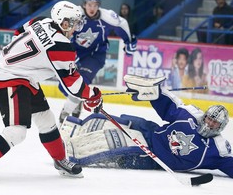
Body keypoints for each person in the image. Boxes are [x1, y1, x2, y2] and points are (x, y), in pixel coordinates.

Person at [0, 0, 103, 183]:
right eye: (74, 23)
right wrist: (93, 96)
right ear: (64, 22)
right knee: (16, 132)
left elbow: (19, 32)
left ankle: (60, 161)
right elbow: (73, 85)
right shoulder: (61, 45)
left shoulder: (41, 20)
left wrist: (29, 63)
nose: (76, 27)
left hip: (23, 77)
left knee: (46, 119)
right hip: (10, 79)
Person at [59, 75, 233, 178]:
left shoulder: (217, 150)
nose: (210, 123)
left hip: (153, 156)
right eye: (209, 118)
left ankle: (68, 153)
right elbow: (171, 105)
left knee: (108, 145)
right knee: (105, 120)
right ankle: (72, 128)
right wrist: (154, 91)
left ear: (221, 126)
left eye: (215, 122)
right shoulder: (190, 116)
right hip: (150, 130)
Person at [59, 0, 137, 124]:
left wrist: (129, 41)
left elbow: (122, 23)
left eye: (95, 5)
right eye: (89, 4)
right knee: (64, 85)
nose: (92, 8)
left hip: (96, 55)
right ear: (84, 4)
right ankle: (77, 100)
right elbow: (61, 30)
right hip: (76, 53)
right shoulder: (75, 14)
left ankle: (64, 116)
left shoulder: (107, 16)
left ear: (98, 6)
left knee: (81, 82)